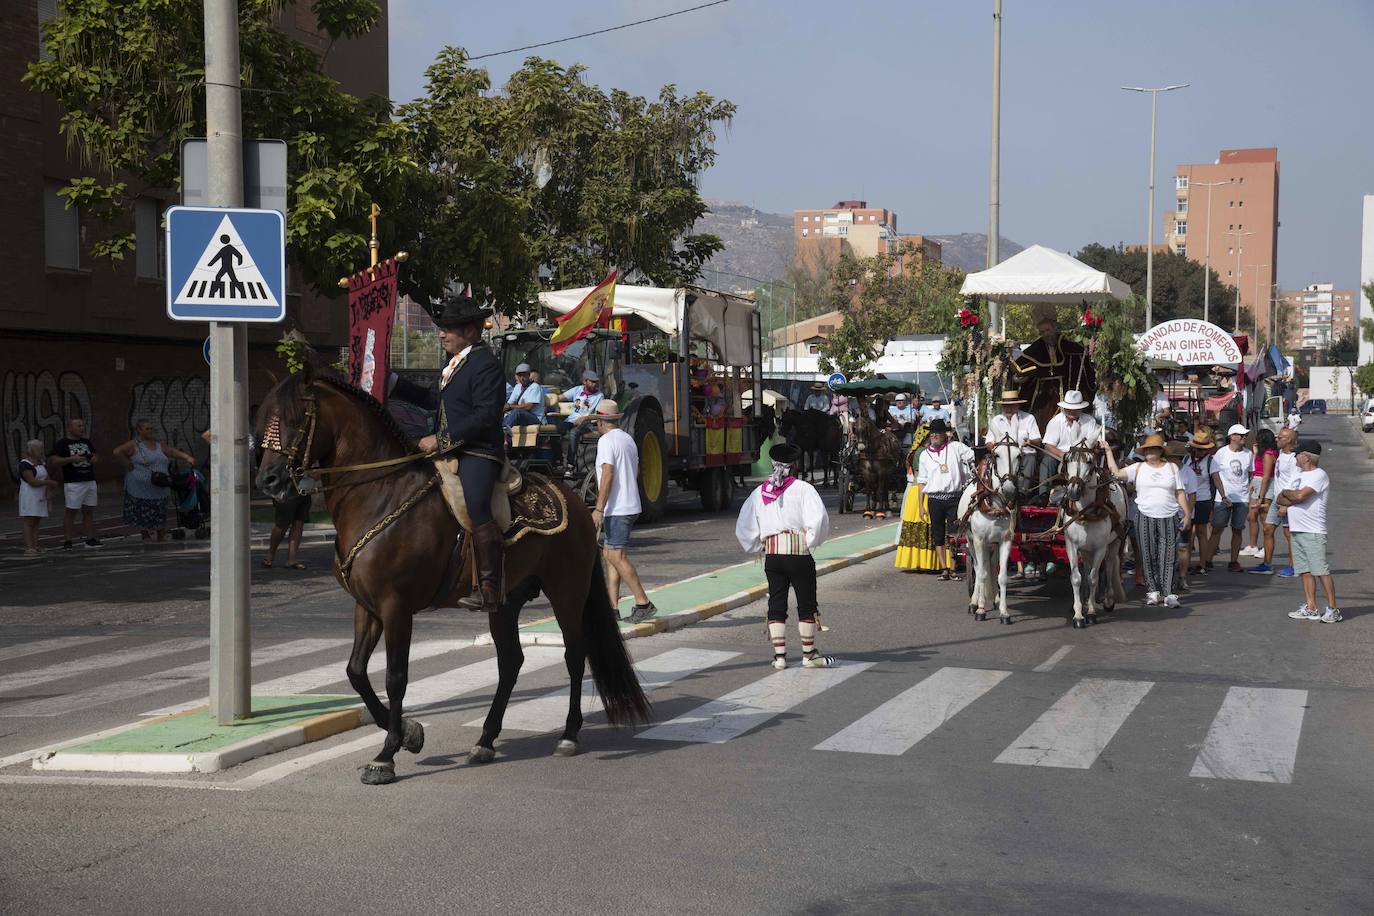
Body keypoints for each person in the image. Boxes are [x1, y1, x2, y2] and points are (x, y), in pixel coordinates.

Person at [417, 295, 507, 612]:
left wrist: (440, 441)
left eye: (449, 329)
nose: (442, 334)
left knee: (476, 503)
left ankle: (489, 587)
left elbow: (485, 417)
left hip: (479, 451)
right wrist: (393, 384)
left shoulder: (486, 366)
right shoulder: (454, 365)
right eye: (441, 328)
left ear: (470, 331)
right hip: (449, 448)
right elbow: (432, 398)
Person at [736, 442, 833, 669]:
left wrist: (758, 546)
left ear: (773, 465)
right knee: (806, 602)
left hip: (773, 556)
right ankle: (808, 655)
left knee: (776, 602)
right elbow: (818, 521)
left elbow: (744, 526)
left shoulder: (759, 492)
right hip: (798, 554)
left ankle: (779, 657)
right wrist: (808, 542)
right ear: (794, 466)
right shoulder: (803, 489)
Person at [590, 400, 657, 624]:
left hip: (616, 507)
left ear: (600, 422)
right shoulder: (627, 439)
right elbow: (635, 471)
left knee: (615, 555)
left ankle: (643, 602)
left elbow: (607, 474)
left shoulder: (606, 441)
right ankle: (612, 606)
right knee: (610, 554)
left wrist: (599, 508)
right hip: (627, 504)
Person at [1106, 433, 1190, 608]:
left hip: (1169, 515)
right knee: (1148, 555)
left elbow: (1180, 492)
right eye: (1148, 450)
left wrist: (1187, 514)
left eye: (1154, 449)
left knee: (1169, 555)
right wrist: (1108, 451)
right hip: (1145, 515)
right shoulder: (1137, 468)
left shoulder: (1172, 468)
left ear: (1161, 451)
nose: (1150, 452)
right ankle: (1152, 592)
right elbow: (1116, 473)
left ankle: (1169, 593)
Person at [1280, 441, 1340, 623]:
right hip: (1296, 528)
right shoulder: (1297, 475)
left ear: (1306, 457)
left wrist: (1291, 495)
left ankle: (1333, 609)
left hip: (1313, 531)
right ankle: (1311, 607)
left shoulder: (1319, 475)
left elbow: (1298, 496)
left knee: (1320, 570)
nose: (1295, 457)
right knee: (1304, 571)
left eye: (1297, 454)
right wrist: (1292, 495)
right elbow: (1280, 498)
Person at [1010, 308, 1096, 426]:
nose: (1046, 334)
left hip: (1065, 391)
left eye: (1048, 330)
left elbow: (1085, 368)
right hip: (1042, 396)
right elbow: (1019, 369)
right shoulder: (1035, 350)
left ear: (1054, 328)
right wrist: (1018, 379)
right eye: (1042, 332)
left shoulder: (1069, 347)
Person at [113, 419, 195, 541]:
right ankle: (145, 534)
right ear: (139, 430)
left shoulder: (159, 444)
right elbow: (117, 452)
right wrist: (127, 463)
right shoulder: (133, 444)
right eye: (147, 429)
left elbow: (171, 451)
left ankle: (161, 534)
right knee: (142, 510)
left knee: (161, 509)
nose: (151, 431)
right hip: (140, 486)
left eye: (152, 428)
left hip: (160, 484)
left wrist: (186, 457)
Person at [915, 418, 976, 581]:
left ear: (944, 435)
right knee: (938, 535)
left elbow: (974, 455)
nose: (934, 436)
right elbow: (921, 482)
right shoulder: (924, 456)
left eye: (938, 433)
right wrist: (921, 507)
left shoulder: (955, 447)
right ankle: (944, 569)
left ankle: (954, 568)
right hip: (934, 499)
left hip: (954, 498)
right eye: (932, 433)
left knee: (954, 535)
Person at [1252, 425, 1299, 577]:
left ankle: (1293, 566)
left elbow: (1296, 482)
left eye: (1280, 438)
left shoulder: (1294, 459)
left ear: (1289, 440)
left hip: (1287, 501)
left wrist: (1286, 505)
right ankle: (1267, 564)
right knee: (1268, 528)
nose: (1276, 439)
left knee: (1288, 533)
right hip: (1277, 499)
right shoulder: (1279, 454)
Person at [50, 417, 102, 549]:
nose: (81, 428)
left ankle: (90, 539)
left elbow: (95, 455)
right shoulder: (63, 443)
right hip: (74, 482)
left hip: (89, 480)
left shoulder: (86, 442)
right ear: (70, 428)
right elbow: (54, 461)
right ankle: (68, 540)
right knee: (71, 511)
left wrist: (93, 459)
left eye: (82, 426)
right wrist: (71, 458)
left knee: (89, 510)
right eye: (78, 426)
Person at [1207, 424, 1253, 572]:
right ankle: (1207, 560)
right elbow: (1215, 475)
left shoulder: (1248, 454)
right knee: (1217, 529)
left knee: (1237, 530)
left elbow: (1251, 474)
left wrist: (1250, 492)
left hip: (1242, 498)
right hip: (1223, 498)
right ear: (1232, 436)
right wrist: (1223, 494)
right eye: (1241, 435)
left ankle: (1233, 561)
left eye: (1245, 435)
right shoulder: (1221, 453)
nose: (1244, 437)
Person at [1039, 389, 1100, 501]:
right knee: (1047, 460)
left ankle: (1090, 494)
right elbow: (1048, 445)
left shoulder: (1090, 421)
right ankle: (1043, 494)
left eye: (1075, 410)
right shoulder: (1056, 422)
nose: (1072, 412)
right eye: (1069, 409)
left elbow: (1094, 443)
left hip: (1082, 457)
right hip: (1060, 455)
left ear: (1081, 409)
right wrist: (1062, 454)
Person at [894, 424, 939, 572]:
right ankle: (927, 561)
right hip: (923, 489)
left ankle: (919, 560)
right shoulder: (923, 453)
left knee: (917, 526)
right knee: (926, 524)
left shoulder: (915, 451)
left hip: (915, 489)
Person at [985, 389, 1042, 495]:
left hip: (1024, 454)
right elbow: (988, 441)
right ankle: (996, 490)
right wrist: (991, 446)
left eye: (1012, 405)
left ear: (1018, 405)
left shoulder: (1029, 418)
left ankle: (1022, 492)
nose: (1009, 408)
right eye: (1006, 406)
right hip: (1004, 456)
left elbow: (1037, 440)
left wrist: (1030, 442)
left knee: (1030, 457)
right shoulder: (996, 420)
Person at [1180, 428, 1221, 575]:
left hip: (1203, 499)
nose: (1201, 452)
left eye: (1204, 449)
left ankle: (1202, 564)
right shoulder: (1185, 459)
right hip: (1187, 499)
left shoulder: (1210, 461)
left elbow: (1216, 479)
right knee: (1188, 532)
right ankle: (1186, 564)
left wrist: (1224, 496)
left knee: (1201, 533)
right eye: (1198, 449)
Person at [17, 439, 60, 558]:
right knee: (29, 521)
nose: (41, 451)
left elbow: (46, 476)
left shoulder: (41, 463)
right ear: (31, 450)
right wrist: (49, 483)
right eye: (38, 449)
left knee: (36, 521)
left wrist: (49, 491)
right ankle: (29, 547)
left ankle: (35, 546)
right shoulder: (24, 464)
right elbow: (32, 481)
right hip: (29, 496)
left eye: (41, 449)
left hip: (40, 495)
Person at [1242, 428, 1278, 559]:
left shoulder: (1268, 454)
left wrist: (1260, 496)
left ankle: (1265, 547)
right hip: (1257, 482)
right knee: (1252, 516)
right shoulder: (1261, 452)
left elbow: (1267, 476)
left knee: (1264, 518)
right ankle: (1252, 545)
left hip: (1265, 485)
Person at [559, 369, 604, 467]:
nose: (595, 384)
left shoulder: (599, 396)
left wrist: (585, 418)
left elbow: (599, 415)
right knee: (557, 430)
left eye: (596, 382)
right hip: (571, 420)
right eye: (592, 382)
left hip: (588, 422)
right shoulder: (577, 390)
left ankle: (571, 464)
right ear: (585, 381)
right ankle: (558, 460)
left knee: (574, 432)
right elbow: (560, 397)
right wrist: (548, 400)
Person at [261, 491, 310, 570]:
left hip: (304, 491)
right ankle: (270, 556)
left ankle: (292, 560)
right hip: (286, 492)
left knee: (298, 524)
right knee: (282, 525)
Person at [502, 362, 546, 430]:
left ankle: (504, 432)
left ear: (529, 375)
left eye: (524, 375)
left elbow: (529, 406)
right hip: (523, 417)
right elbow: (510, 403)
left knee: (517, 412)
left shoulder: (535, 387)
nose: (522, 378)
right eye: (520, 376)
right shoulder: (517, 387)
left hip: (536, 419)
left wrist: (510, 406)